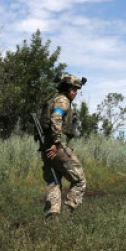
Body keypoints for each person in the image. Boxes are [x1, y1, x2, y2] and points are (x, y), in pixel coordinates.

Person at [39, 73, 88, 219]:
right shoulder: (63, 101)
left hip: (46, 147)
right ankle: (67, 214)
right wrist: (57, 143)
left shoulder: (54, 99)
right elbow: (56, 118)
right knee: (80, 181)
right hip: (56, 147)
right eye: (73, 89)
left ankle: (52, 217)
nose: (75, 92)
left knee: (54, 181)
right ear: (66, 88)